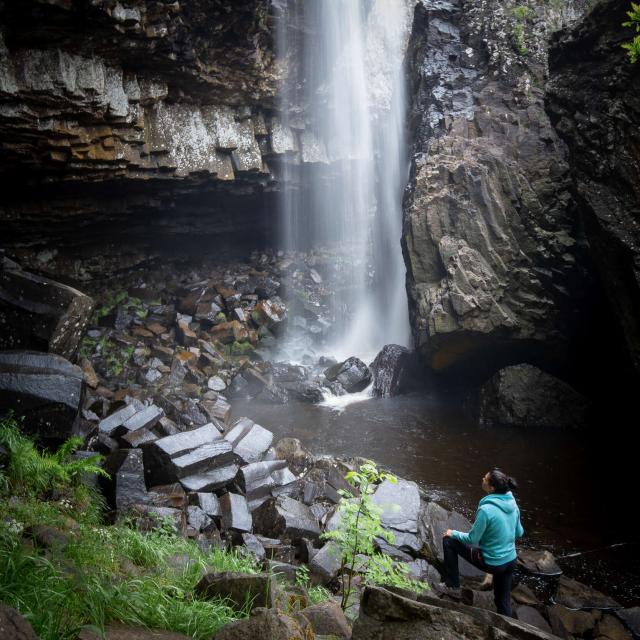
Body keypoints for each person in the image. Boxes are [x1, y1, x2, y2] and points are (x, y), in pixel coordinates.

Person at [438, 468, 524, 617]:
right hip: (510, 561)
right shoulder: (512, 502)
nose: (482, 479)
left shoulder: (486, 509)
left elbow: (472, 539)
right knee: (502, 601)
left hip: (492, 562)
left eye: (485, 479)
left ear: (492, 488)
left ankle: (452, 588)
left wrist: (453, 532)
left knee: (449, 540)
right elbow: (519, 532)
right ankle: (508, 629)